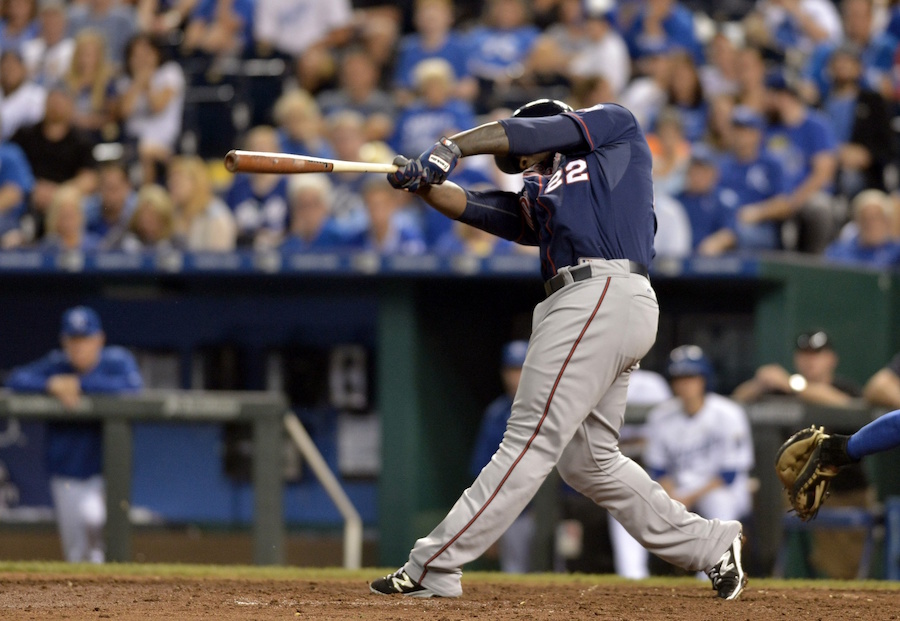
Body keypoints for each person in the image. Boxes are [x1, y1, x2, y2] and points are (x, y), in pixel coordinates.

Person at [369, 98, 747, 600]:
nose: (523, 164)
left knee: (529, 439)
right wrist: (426, 185)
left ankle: (434, 564)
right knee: (589, 461)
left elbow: (527, 134)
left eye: (526, 153)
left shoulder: (613, 129)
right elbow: (483, 208)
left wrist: (451, 146)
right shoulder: (543, 191)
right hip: (593, 302)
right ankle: (710, 545)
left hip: (601, 290)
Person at [4, 306, 143, 563]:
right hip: (66, 472)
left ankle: (112, 593)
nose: (79, 347)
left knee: (95, 521)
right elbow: (15, 379)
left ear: (99, 339)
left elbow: (133, 387)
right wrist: (50, 383)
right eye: (74, 340)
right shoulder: (57, 364)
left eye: (85, 340)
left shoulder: (116, 361)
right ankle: (83, 601)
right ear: (64, 341)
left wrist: (80, 384)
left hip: (106, 472)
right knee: (76, 551)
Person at [644, 346, 754, 527]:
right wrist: (673, 497)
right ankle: (627, 557)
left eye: (691, 376)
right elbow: (658, 469)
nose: (685, 384)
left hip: (721, 489)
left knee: (719, 504)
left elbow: (729, 474)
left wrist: (689, 497)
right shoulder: (660, 415)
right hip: (676, 490)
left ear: (704, 379)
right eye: (679, 378)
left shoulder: (728, 413)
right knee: (633, 508)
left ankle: (723, 555)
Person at [468, 339, 534, 573]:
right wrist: (487, 526)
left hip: (551, 511)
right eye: (511, 370)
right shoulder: (496, 415)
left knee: (556, 574)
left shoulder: (552, 409)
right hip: (512, 514)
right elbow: (482, 473)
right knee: (515, 575)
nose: (515, 377)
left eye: (521, 369)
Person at [824, 189, 900, 268]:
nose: (871, 224)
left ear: (887, 221)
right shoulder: (839, 251)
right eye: (865, 218)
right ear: (857, 222)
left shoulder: (896, 253)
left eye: (876, 218)